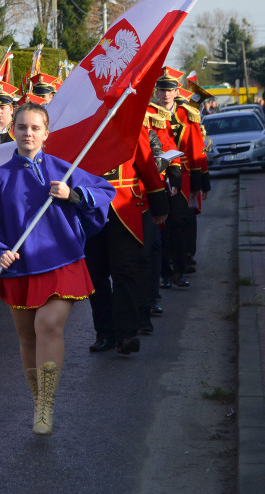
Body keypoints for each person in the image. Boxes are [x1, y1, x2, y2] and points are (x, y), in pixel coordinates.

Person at [0, 102, 114, 435]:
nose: (28, 133)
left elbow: (104, 190)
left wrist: (73, 194)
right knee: (26, 337)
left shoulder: (63, 169)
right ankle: (38, 402)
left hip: (61, 260)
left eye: (35, 128)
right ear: (13, 130)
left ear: (46, 133)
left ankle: (47, 405)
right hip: (20, 268)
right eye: (22, 127)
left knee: (47, 325)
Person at [85, 124, 169, 354]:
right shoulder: (84, 120)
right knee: (96, 276)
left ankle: (126, 334)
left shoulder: (132, 123)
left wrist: (158, 201)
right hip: (90, 208)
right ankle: (104, 334)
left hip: (125, 208)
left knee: (125, 271)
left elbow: (146, 163)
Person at [152, 67, 208, 288]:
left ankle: (179, 269)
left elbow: (196, 150)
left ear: (176, 92)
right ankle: (164, 273)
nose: (166, 94)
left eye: (170, 90)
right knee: (160, 227)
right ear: (157, 92)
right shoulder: (150, 114)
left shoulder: (188, 114)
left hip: (181, 177)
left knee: (179, 223)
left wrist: (200, 181)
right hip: (156, 176)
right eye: (162, 90)